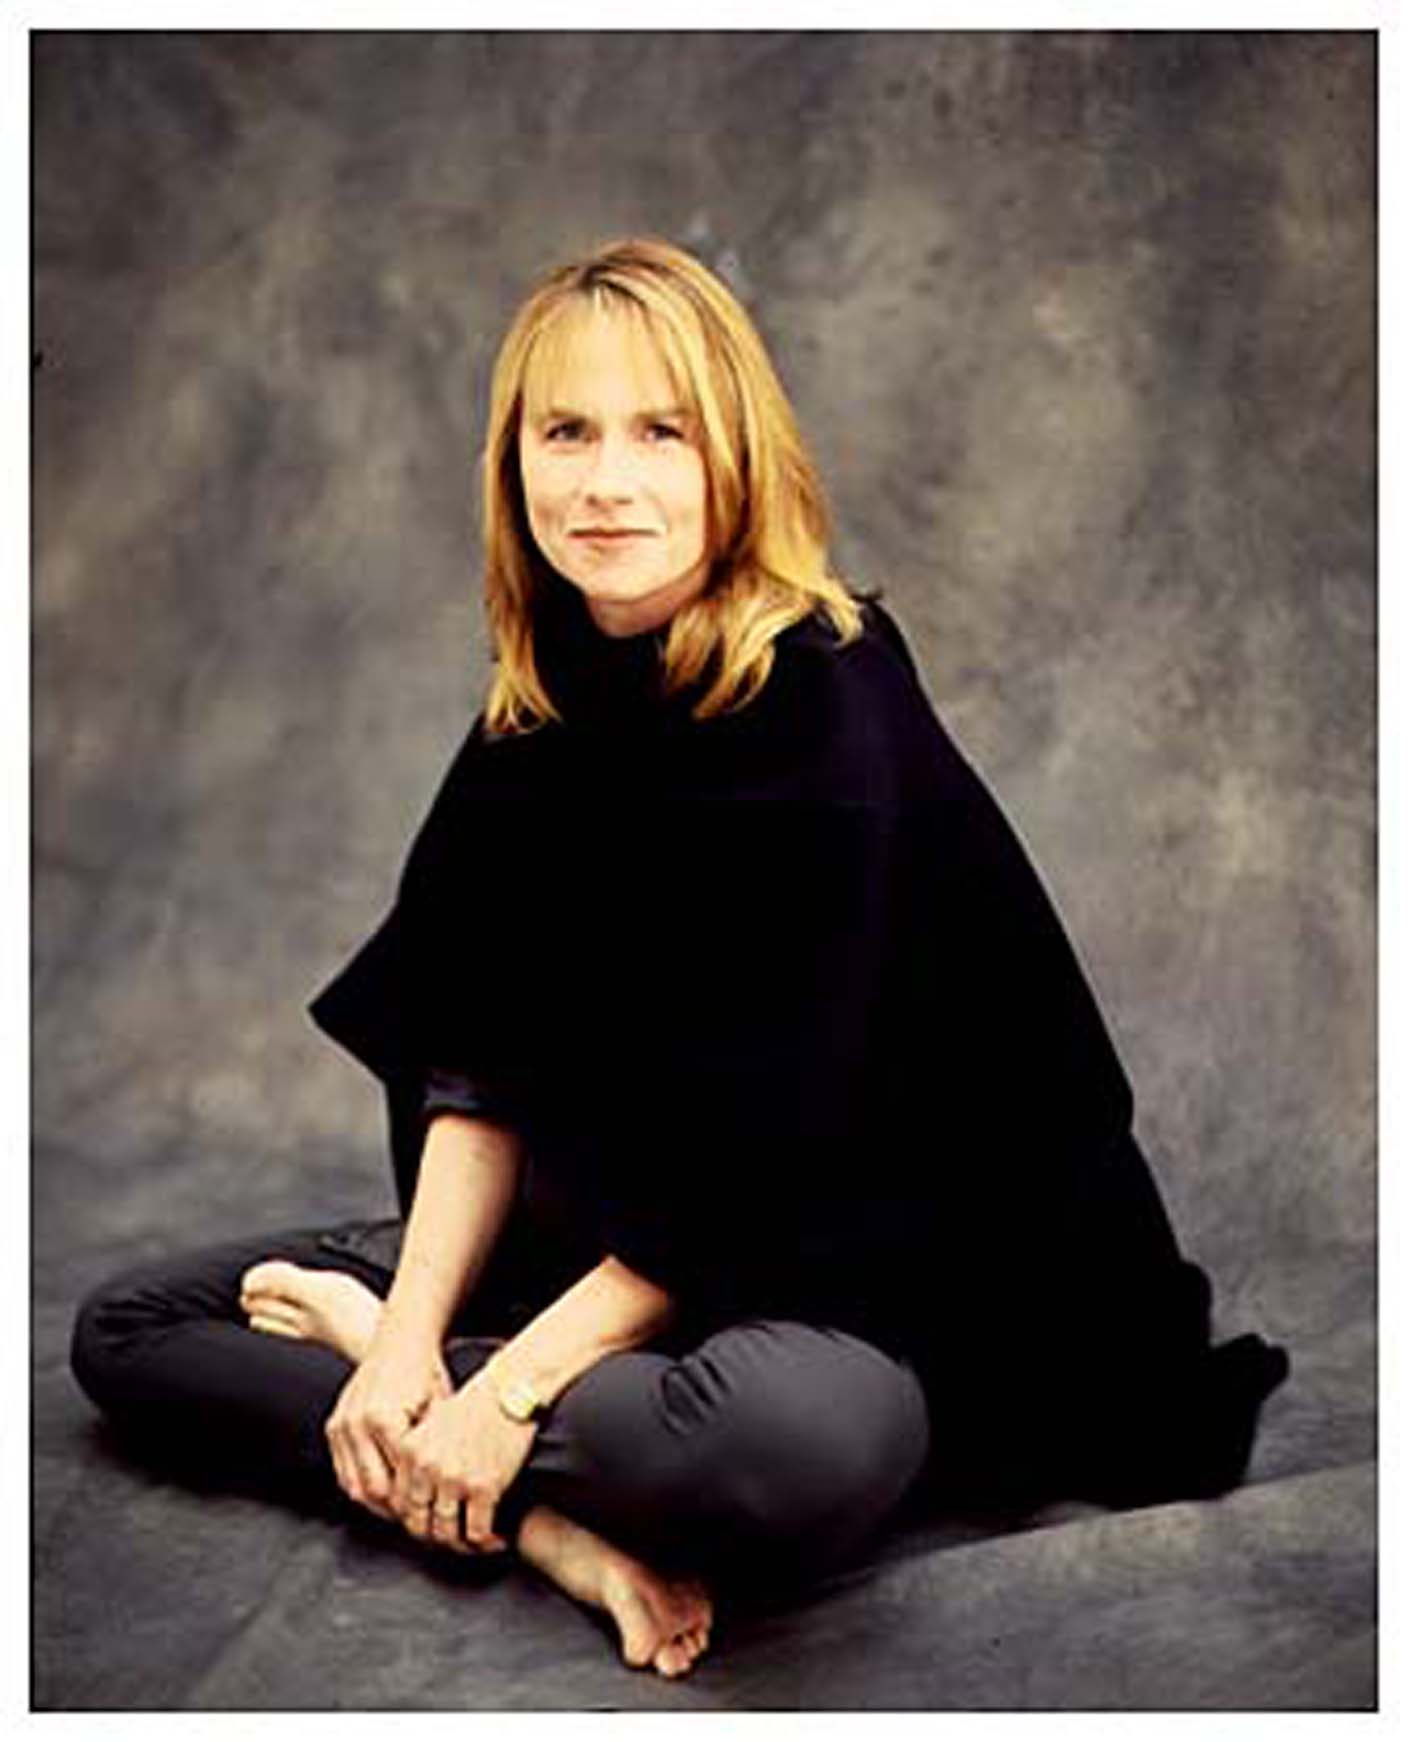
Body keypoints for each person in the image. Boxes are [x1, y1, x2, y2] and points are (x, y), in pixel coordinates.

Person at [70, 236, 1289, 1682]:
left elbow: (770, 1165)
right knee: (130, 1328)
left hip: (862, 1277)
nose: (607, 482)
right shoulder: (537, 708)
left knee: (789, 1457)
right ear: (513, 464)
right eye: (566, 433)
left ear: (738, 462)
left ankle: (444, 1417)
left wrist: (500, 1388)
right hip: (611, 1251)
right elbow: (477, 1070)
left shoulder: (826, 694)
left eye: (662, 433)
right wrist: (403, 1345)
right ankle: (529, 1516)